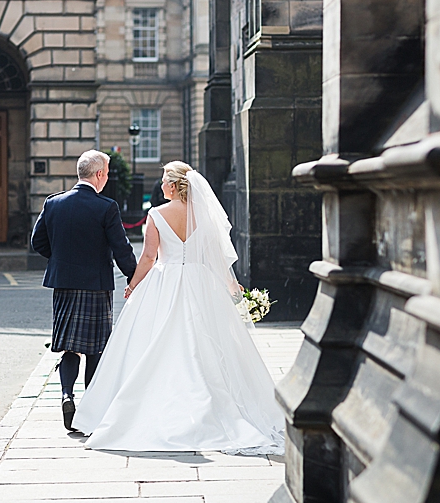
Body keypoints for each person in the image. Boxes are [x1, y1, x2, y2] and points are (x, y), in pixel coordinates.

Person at [71, 161, 286, 454]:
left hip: (166, 282)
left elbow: (148, 258)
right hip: (202, 283)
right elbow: (217, 260)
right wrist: (233, 289)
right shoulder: (206, 216)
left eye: (163, 181)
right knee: (206, 346)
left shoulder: (157, 215)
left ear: (173, 186)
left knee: (154, 344)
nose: (160, 186)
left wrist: (133, 286)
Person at [31, 150, 138, 431]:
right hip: (95, 286)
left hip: (64, 285)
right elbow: (122, 250)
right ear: (100, 174)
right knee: (95, 350)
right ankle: (90, 405)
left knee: (69, 347)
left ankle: (67, 395)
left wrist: (61, 259)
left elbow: (37, 242)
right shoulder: (106, 207)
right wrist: (135, 278)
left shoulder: (54, 203)